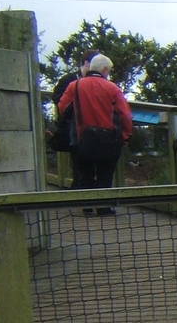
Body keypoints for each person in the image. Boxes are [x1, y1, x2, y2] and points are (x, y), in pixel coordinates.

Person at [57, 52, 133, 213]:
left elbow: (63, 107)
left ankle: (87, 206)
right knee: (105, 174)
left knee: (85, 173)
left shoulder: (75, 86)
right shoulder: (112, 88)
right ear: (104, 69)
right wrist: (125, 136)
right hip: (109, 139)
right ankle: (104, 207)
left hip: (82, 138)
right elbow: (125, 114)